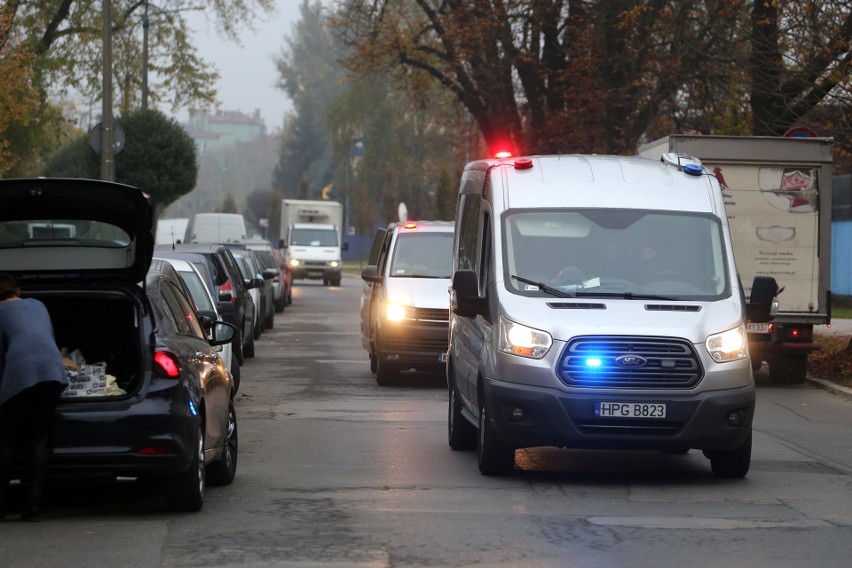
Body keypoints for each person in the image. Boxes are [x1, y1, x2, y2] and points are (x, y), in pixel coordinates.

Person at [0, 272, 68, 522]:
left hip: (20, 371)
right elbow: (46, 337)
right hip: (52, 370)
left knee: (6, 441)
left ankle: (2, 506)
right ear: (17, 290)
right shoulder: (38, 305)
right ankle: (33, 507)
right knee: (39, 439)